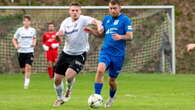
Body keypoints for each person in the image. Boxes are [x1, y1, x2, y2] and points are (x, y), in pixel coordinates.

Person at [52, 2, 102, 107]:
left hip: (80, 54)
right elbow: (59, 38)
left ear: (80, 11)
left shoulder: (83, 19)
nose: (75, 12)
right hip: (66, 53)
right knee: (56, 79)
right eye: (72, 10)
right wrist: (57, 36)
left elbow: (96, 21)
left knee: (69, 75)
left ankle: (69, 89)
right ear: (69, 12)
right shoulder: (65, 22)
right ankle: (59, 98)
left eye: (77, 10)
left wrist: (98, 25)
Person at [93, 0, 133, 108]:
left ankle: (111, 98)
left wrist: (121, 37)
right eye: (110, 8)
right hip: (106, 51)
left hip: (118, 55)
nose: (112, 10)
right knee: (100, 70)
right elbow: (102, 35)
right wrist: (92, 32)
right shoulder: (106, 19)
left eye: (114, 8)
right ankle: (96, 96)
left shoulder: (125, 20)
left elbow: (130, 36)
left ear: (120, 8)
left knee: (112, 80)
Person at [12, 15, 37, 89]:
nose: (26, 22)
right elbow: (14, 39)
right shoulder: (19, 30)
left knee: (28, 67)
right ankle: (26, 77)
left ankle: (26, 84)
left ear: (30, 22)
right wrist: (16, 46)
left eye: (28, 21)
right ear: (23, 22)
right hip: (21, 52)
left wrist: (34, 43)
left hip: (30, 51)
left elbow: (34, 38)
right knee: (23, 69)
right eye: (25, 21)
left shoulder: (33, 30)